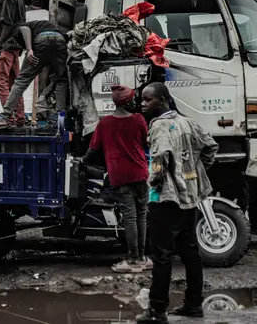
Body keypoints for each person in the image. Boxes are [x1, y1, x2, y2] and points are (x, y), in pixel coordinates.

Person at [136, 82, 218, 323]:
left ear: (162, 100)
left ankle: (157, 310)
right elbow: (210, 146)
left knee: (161, 256)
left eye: (147, 99)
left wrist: (154, 180)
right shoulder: (187, 121)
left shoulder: (160, 126)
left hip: (166, 199)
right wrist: (193, 172)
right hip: (189, 198)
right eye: (142, 99)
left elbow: (159, 159)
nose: (143, 104)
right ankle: (193, 304)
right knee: (191, 253)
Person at [82, 85, 150, 273]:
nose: (136, 102)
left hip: (120, 176)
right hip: (140, 173)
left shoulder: (105, 124)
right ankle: (142, 258)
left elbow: (93, 150)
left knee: (129, 218)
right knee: (141, 215)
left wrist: (83, 161)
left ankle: (133, 259)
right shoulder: (139, 120)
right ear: (127, 102)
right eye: (133, 99)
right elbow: (147, 142)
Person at [0, 19, 68, 128]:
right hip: (60, 40)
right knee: (61, 80)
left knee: (21, 81)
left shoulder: (17, 28)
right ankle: (61, 119)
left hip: (42, 41)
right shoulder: (39, 25)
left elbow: (25, 29)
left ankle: (4, 117)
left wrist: (29, 49)